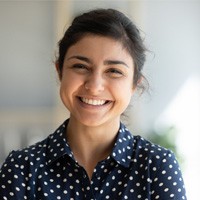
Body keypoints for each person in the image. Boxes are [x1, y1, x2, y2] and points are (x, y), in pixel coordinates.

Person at [0, 8, 187, 200]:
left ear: (134, 83)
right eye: (80, 66)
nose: (95, 86)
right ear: (60, 71)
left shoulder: (157, 167)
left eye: (114, 71)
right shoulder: (22, 168)